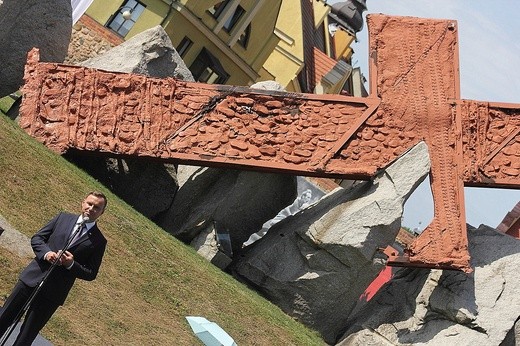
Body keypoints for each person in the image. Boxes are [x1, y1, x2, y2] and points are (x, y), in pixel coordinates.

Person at [0, 191, 108, 345]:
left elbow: (91, 273)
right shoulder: (62, 218)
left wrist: (71, 264)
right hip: (30, 280)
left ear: (101, 213)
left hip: (53, 293)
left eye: (97, 207)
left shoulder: (99, 241)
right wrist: (46, 253)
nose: (91, 208)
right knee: (4, 318)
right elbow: (38, 238)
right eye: (89, 204)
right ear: (82, 203)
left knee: (26, 335)